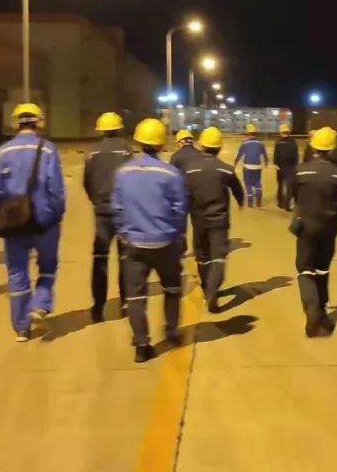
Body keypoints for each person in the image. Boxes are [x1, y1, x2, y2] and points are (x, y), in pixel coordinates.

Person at [0, 103, 66, 342]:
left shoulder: (3, 152)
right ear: (39, 122)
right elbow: (56, 190)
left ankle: (21, 328)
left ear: (15, 123)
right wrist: (57, 214)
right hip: (44, 221)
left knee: (17, 271)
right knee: (48, 265)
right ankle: (40, 304)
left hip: (13, 222)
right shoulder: (48, 150)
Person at [112, 118, 188, 363]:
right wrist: (177, 234)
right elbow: (179, 210)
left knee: (136, 297)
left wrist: (124, 233)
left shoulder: (122, 173)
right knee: (172, 290)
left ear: (137, 141)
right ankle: (172, 332)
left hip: (134, 244)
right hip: (165, 243)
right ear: (161, 144)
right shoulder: (171, 174)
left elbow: (117, 209)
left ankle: (142, 346)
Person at [290, 126, 337, 337]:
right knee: (323, 270)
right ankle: (322, 311)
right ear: (332, 149)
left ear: (313, 147)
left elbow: (294, 194)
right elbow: (335, 197)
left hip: (306, 226)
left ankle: (312, 310)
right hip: (329, 227)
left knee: (305, 268)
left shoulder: (300, 170)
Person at [184, 127, 245, 311]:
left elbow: (184, 193)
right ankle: (212, 292)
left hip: (198, 220)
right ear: (219, 147)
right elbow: (238, 190)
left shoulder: (190, 169)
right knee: (218, 257)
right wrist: (241, 202)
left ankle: (206, 288)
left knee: (202, 257)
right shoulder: (226, 169)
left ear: (201, 146)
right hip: (219, 220)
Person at [83, 111, 133, 322]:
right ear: (119, 128)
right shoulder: (126, 149)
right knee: (125, 258)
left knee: (100, 259)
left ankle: (98, 306)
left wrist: (97, 201)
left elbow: (87, 182)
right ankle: (125, 301)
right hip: (123, 212)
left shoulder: (92, 152)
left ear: (101, 130)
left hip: (102, 213)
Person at [234, 124, 268, 207]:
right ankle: (259, 194)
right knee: (257, 181)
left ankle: (250, 201)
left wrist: (235, 163)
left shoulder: (245, 143)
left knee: (248, 183)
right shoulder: (260, 143)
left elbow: (239, 154)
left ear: (248, 133)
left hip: (247, 166)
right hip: (257, 166)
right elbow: (265, 155)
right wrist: (266, 162)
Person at [272, 123, 299, 211]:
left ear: (281, 132)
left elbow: (276, 154)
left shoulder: (278, 142)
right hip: (291, 167)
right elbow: (296, 155)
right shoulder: (293, 141)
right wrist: (296, 165)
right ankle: (287, 205)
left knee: (280, 185)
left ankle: (280, 202)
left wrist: (276, 164)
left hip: (280, 166)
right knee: (289, 187)